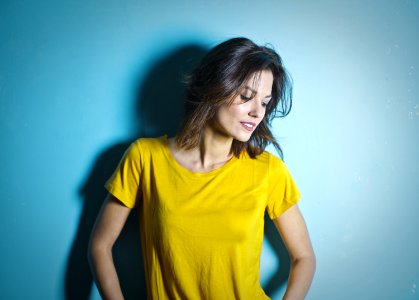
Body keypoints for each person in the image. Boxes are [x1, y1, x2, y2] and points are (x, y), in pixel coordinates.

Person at [88, 37, 316, 300]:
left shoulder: (268, 171)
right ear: (214, 87)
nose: (257, 112)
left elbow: (305, 257)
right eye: (246, 96)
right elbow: (99, 245)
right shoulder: (145, 158)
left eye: (264, 102)